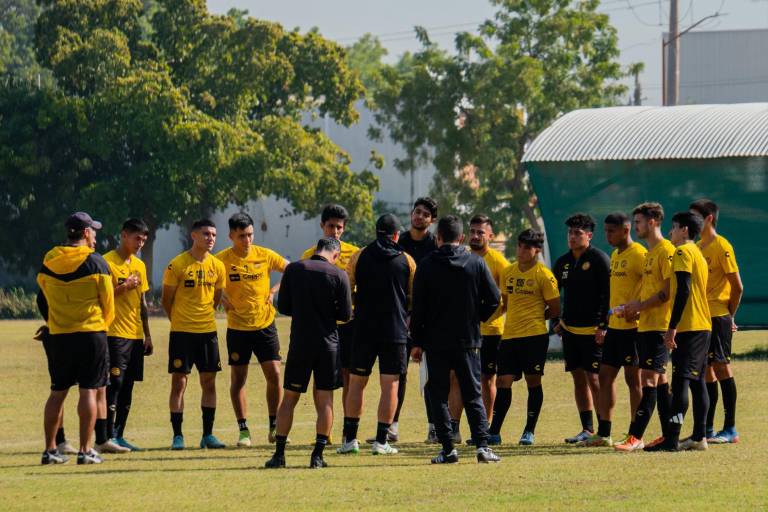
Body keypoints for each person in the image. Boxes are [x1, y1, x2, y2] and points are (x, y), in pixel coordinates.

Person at [410, 215, 502, 464]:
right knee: (473, 393)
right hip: (468, 340)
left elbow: (417, 308)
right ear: (461, 238)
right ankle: (482, 447)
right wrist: (476, 317)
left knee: (438, 395)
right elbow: (495, 299)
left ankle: (448, 448)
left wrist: (417, 342)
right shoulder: (476, 262)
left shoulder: (427, 265)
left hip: (435, 341)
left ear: (438, 237)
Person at [265, 238, 352, 469]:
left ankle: (279, 455)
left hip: (300, 343)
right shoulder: (339, 275)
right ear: (335, 254)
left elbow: (283, 307)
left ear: (316, 250)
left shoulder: (294, 268)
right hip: (328, 345)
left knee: (289, 398)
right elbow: (345, 314)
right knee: (325, 400)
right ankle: (317, 455)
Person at [37, 212, 114, 464]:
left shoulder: (49, 259)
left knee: (57, 392)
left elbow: (43, 296)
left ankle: (50, 451)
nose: (95, 235)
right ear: (86, 233)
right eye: (93, 230)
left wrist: (54, 322)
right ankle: (85, 449)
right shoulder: (96, 262)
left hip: (59, 335)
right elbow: (108, 304)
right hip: (91, 333)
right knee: (89, 391)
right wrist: (102, 325)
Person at [337, 214, 416, 456]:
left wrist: (352, 313)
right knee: (390, 385)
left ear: (376, 232)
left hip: (364, 329)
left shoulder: (359, 256)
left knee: (357, 383)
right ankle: (382, 441)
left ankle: (350, 440)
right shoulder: (406, 260)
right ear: (395, 235)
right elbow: (414, 295)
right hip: (394, 331)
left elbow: (347, 288)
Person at [215, 213, 288, 447]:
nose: (247, 240)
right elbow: (210, 283)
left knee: (275, 375)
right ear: (231, 236)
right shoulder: (221, 260)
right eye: (242, 236)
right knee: (238, 379)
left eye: (250, 235)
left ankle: (274, 425)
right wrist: (221, 296)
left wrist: (274, 290)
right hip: (237, 328)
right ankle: (243, 430)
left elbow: (292, 270)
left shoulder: (265, 255)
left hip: (265, 325)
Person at [645, 211, 712, 452]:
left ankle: (672, 439)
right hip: (703, 325)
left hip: (690, 326)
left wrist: (671, 328)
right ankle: (699, 436)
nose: (671, 232)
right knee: (697, 382)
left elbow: (682, 291)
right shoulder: (698, 253)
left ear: (684, 230)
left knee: (682, 381)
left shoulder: (682, 252)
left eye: (673, 228)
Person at [488, 229, 560, 446]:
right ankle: (494, 431)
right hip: (509, 337)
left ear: (536, 250)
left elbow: (555, 309)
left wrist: (538, 317)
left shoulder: (544, 275)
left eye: (526, 247)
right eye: (519, 246)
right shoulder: (509, 272)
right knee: (503, 381)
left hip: (535, 337)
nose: (521, 251)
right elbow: (507, 303)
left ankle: (529, 430)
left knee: (533, 381)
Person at [615, 203, 675, 452]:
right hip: (646, 326)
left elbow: (667, 292)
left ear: (652, 222)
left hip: (660, 326)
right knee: (660, 380)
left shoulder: (666, 251)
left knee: (647, 378)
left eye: (638, 222)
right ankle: (670, 436)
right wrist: (633, 307)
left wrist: (640, 306)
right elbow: (651, 291)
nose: (635, 226)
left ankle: (635, 436)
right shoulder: (650, 253)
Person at [162, 219, 227, 450]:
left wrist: (205, 316)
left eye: (214, 235)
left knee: (209, 383)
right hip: (182, 333)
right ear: (194, 235)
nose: (211, 238)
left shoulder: (218, 266)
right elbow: (166, 300)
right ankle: (177, 436)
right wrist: (178, 320)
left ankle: (207, 435)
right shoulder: (177, 264)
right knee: (179, 383)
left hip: (207, 332)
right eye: (206, 234)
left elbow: (217, 297)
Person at [582, 213, 645, 447]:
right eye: (606, 231)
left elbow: (652, 285)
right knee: (605, 377)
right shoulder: (616, 255)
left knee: (633, 380)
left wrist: (639, 308)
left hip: (633, 330)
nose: (607, 235)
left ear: (626, 230)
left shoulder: (639, 255)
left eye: (611, 231)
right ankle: (604, 432)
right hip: (615, 330)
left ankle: (635, 433)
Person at [301, 204, 359, 441]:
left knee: (348, 376)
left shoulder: (355, 254)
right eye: (331, 226)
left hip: (348, 324)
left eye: (339, 227)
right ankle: (325, 428)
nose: (335, 231)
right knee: (322, 378)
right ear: (322, 226)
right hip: (321, 326)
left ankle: (347, 431)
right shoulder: (308, 256)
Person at [552, 213, 610, 444]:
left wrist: (604, 326)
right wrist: (555, 321)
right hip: (570, 331)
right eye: (570, 233)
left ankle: (602, 428)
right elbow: (553, 294)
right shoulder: (563, 262)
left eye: (577, 233)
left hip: (594, 331)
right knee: (578, 379)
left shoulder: (599, 259)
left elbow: (609, 294)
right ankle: (586, 429)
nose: (573, 237)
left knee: (594, 379)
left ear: (589, 235)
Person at [689, 199, 743, 444]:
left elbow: (737, 287)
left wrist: (729, 315)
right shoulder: (698, 247)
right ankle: (707, 428)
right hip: (700, 318)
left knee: (721, 367)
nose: (692, 222)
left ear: (709, 218)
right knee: (705, 371)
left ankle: (730, 428)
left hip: (718, 316)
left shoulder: (722, 246)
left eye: (695, 216)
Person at [102, 218, 153, 452]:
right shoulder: (106, 262)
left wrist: (148, 335)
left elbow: (142, 302)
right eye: (136, 238)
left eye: (143, 239)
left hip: (135, 335)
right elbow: (100, 298)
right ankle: (106, 436)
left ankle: (120, 435)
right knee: (115, 383)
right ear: (123, 235)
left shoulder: (139, 266)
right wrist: (124, 287)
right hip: (114, 333)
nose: (140, 243)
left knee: (129, 385)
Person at [397, 197, 441, 443]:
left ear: (431, 221)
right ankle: (391, 427)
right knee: (398, 373)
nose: (419, 216)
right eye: (417, 212)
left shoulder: (435, 245)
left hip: (427, 319)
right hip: (400, 318)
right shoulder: (399, 242)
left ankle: (434, 427)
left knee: (430, 376)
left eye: (425, 214)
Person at [467, 215, 510, 433]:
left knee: (486, 379)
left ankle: (486, 425)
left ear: (490, 236)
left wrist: (486, 317)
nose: (475, 236)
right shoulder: (462, 257)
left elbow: (506, 301)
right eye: (472, 231)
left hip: (491, 332)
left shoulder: (499, 262)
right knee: (463, 378)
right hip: (465, 330)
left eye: (480, 232)